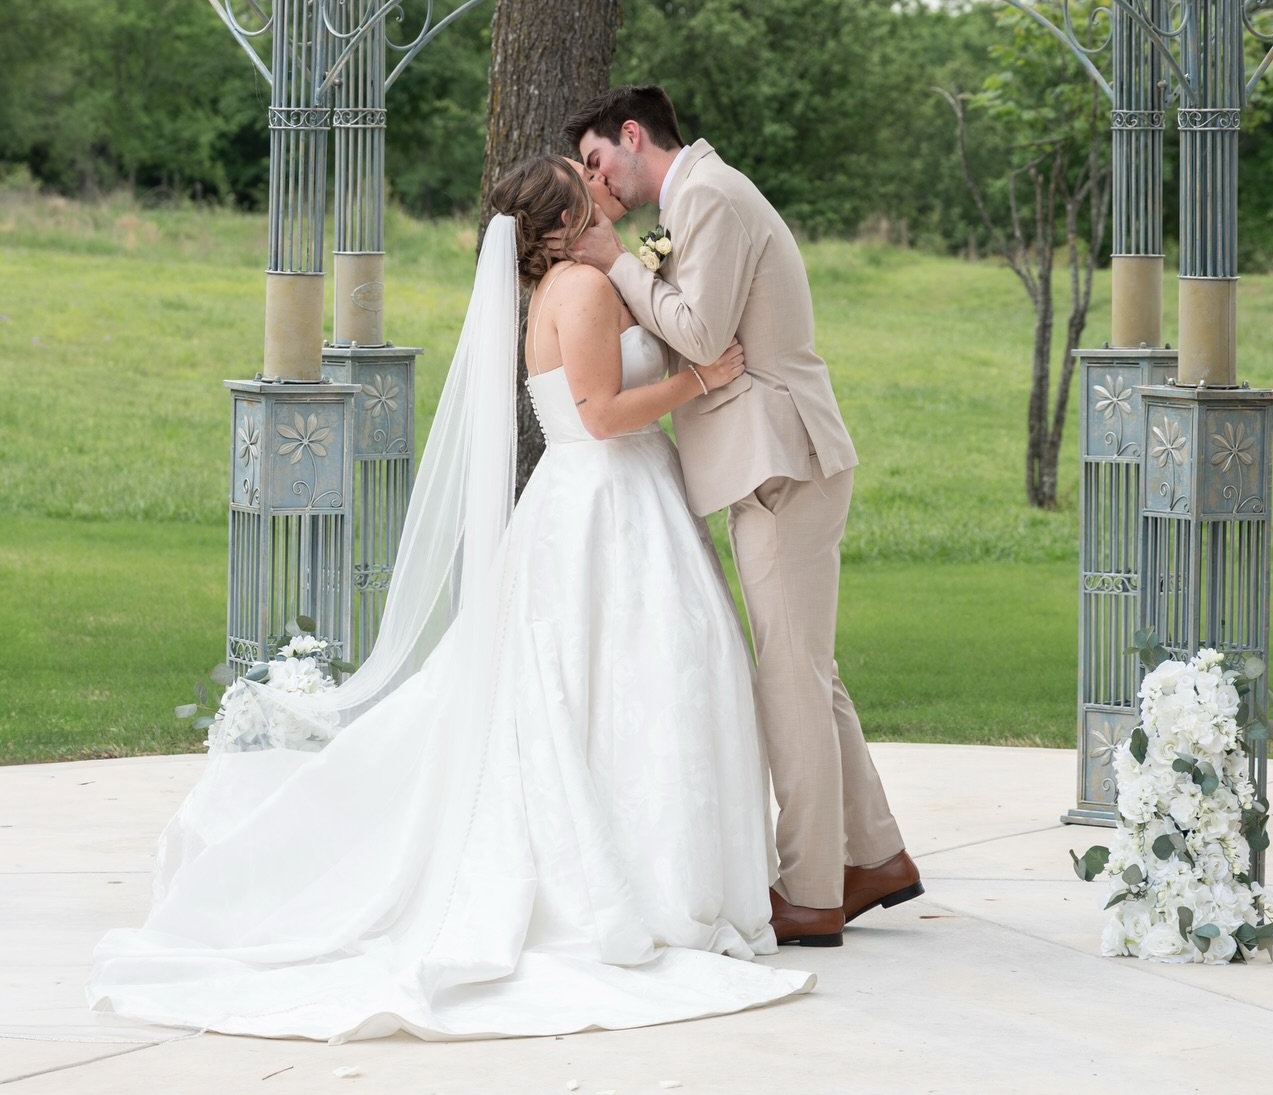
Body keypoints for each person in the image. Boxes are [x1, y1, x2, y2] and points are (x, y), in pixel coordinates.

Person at [87, 158, 814, 1041]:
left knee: (641, 682)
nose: (595, 185)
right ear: (560, 223)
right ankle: (650, 886)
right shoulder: (580, 290)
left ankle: (681, 875)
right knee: (622, 683)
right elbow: (597, 416)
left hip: (617, 497)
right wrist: (699, 381)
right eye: (580, 186)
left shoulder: (575, 282)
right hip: (602, 500)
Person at [563, 84, 922, 947]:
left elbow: (698, 328)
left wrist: (615, 261)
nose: (594, 179)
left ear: (633, 133)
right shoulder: (697, 197)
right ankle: (873, 857)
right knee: (807, 668)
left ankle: (810, 891)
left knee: (788, 676)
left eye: (597, 158)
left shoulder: (710, 195)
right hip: (771, 458)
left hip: (780, 459)